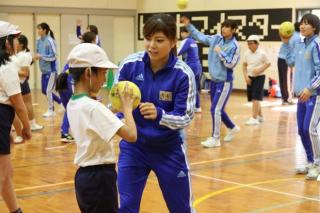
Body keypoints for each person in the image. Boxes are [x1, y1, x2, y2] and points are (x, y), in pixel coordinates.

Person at [117, 14, 196, 213]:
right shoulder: (129, 65)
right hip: (133, 149)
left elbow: (186, 116)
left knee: (181, 208)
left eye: (159, 40)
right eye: (148, 38)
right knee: (126, 207)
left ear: (172, 42)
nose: (152, 45)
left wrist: (159, 114)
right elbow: (118, 105)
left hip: (169, 150)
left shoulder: (183, 74)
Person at [60, 43, 137, 212]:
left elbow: (95, 119)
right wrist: (127, 109)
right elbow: (131, 135)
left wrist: (113, 109)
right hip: (100, 178)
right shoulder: (94, 107)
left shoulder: (74, 102)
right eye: (103, 73)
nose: (104, 79)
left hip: (84, 178)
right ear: (88, 73)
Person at [180, 16, 240, 148]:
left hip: (224, 82)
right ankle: (232, 127)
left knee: (215, 109)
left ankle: (215, 138)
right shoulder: (216, 39)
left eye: (227, 27)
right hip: (213, 81)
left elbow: (231, 64)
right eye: (223, 26)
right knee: (218, 109)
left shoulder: (234, 46)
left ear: (234, 30)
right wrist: (189, 25)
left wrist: (221, 53)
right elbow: (200, 36)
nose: (224, 29)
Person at [280, 13, 320, 180]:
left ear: (315, 27)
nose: (302, 26)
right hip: (301, 96)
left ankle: (317, 164)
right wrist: (286, 43)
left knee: (310, 129)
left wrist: (311, 89)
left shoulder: (317, 44)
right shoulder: (300, 44)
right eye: (301, 23)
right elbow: (290, 62)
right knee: (302, 130)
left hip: (315, 95)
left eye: (306, 24)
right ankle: (310, 162)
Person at [0, 21, 31, 213]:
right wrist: (26, 128)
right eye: (15, 38)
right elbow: (18, 104)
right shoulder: (8, 67)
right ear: (6, 43)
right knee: (2, 175)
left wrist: (13, 129)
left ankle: (15, 210)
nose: (18, 42)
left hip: (3, 120)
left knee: (7, 173)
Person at [55, 31, 97, 143]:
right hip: (70, 81)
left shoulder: (78, 48)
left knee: (69, 108)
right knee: (72, 107)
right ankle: (66, 133)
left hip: (63, 79)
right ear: (93, 41)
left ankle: (66, 132)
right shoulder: (89, 51)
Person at [12, 34, 43, 144]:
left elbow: (24, 72)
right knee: (19, 105)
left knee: (24, 103)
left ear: (21, 44)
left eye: (16, 41)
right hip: (18, 82)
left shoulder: (23, 55)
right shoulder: (19, 54)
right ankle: (25, 125)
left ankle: (31, 124)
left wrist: (9, 71)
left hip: (20, 82)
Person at [34, 22, 61, 117]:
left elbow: (54, 57)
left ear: (45, 30)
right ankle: (61, 102)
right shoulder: (38, 41)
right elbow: (37, 53)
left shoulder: (50, 40)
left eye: (39, 29)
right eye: (37, 29)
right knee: (44, 90)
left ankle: (51, 110)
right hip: (43, 70)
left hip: (51, 70)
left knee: (48, 90)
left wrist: (41, 56)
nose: (38, 30)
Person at [242, 35, 271, 125]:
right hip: (250, 77)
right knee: (254, 98)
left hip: (260, 77)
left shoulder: (262, 53)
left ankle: (254, 118)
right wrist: (246, 77)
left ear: (257, 44)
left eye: (251, 43)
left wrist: (260, 69)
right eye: (248, 44)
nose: (249, 45)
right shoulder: (246, 53)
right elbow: (244, 65)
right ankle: (260, 116)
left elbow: (268, 63)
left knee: (256, 97)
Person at [178, 26, 202, 113]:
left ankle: (186, 106)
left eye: (183, 32)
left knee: (185, 86)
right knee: (194, 87)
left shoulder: (186, 41)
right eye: (181, 32)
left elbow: (178, 52)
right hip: (198, 66)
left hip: (190, 66)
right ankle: (198, 106)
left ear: (188, 33)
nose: (182, 34)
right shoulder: (193, 41)